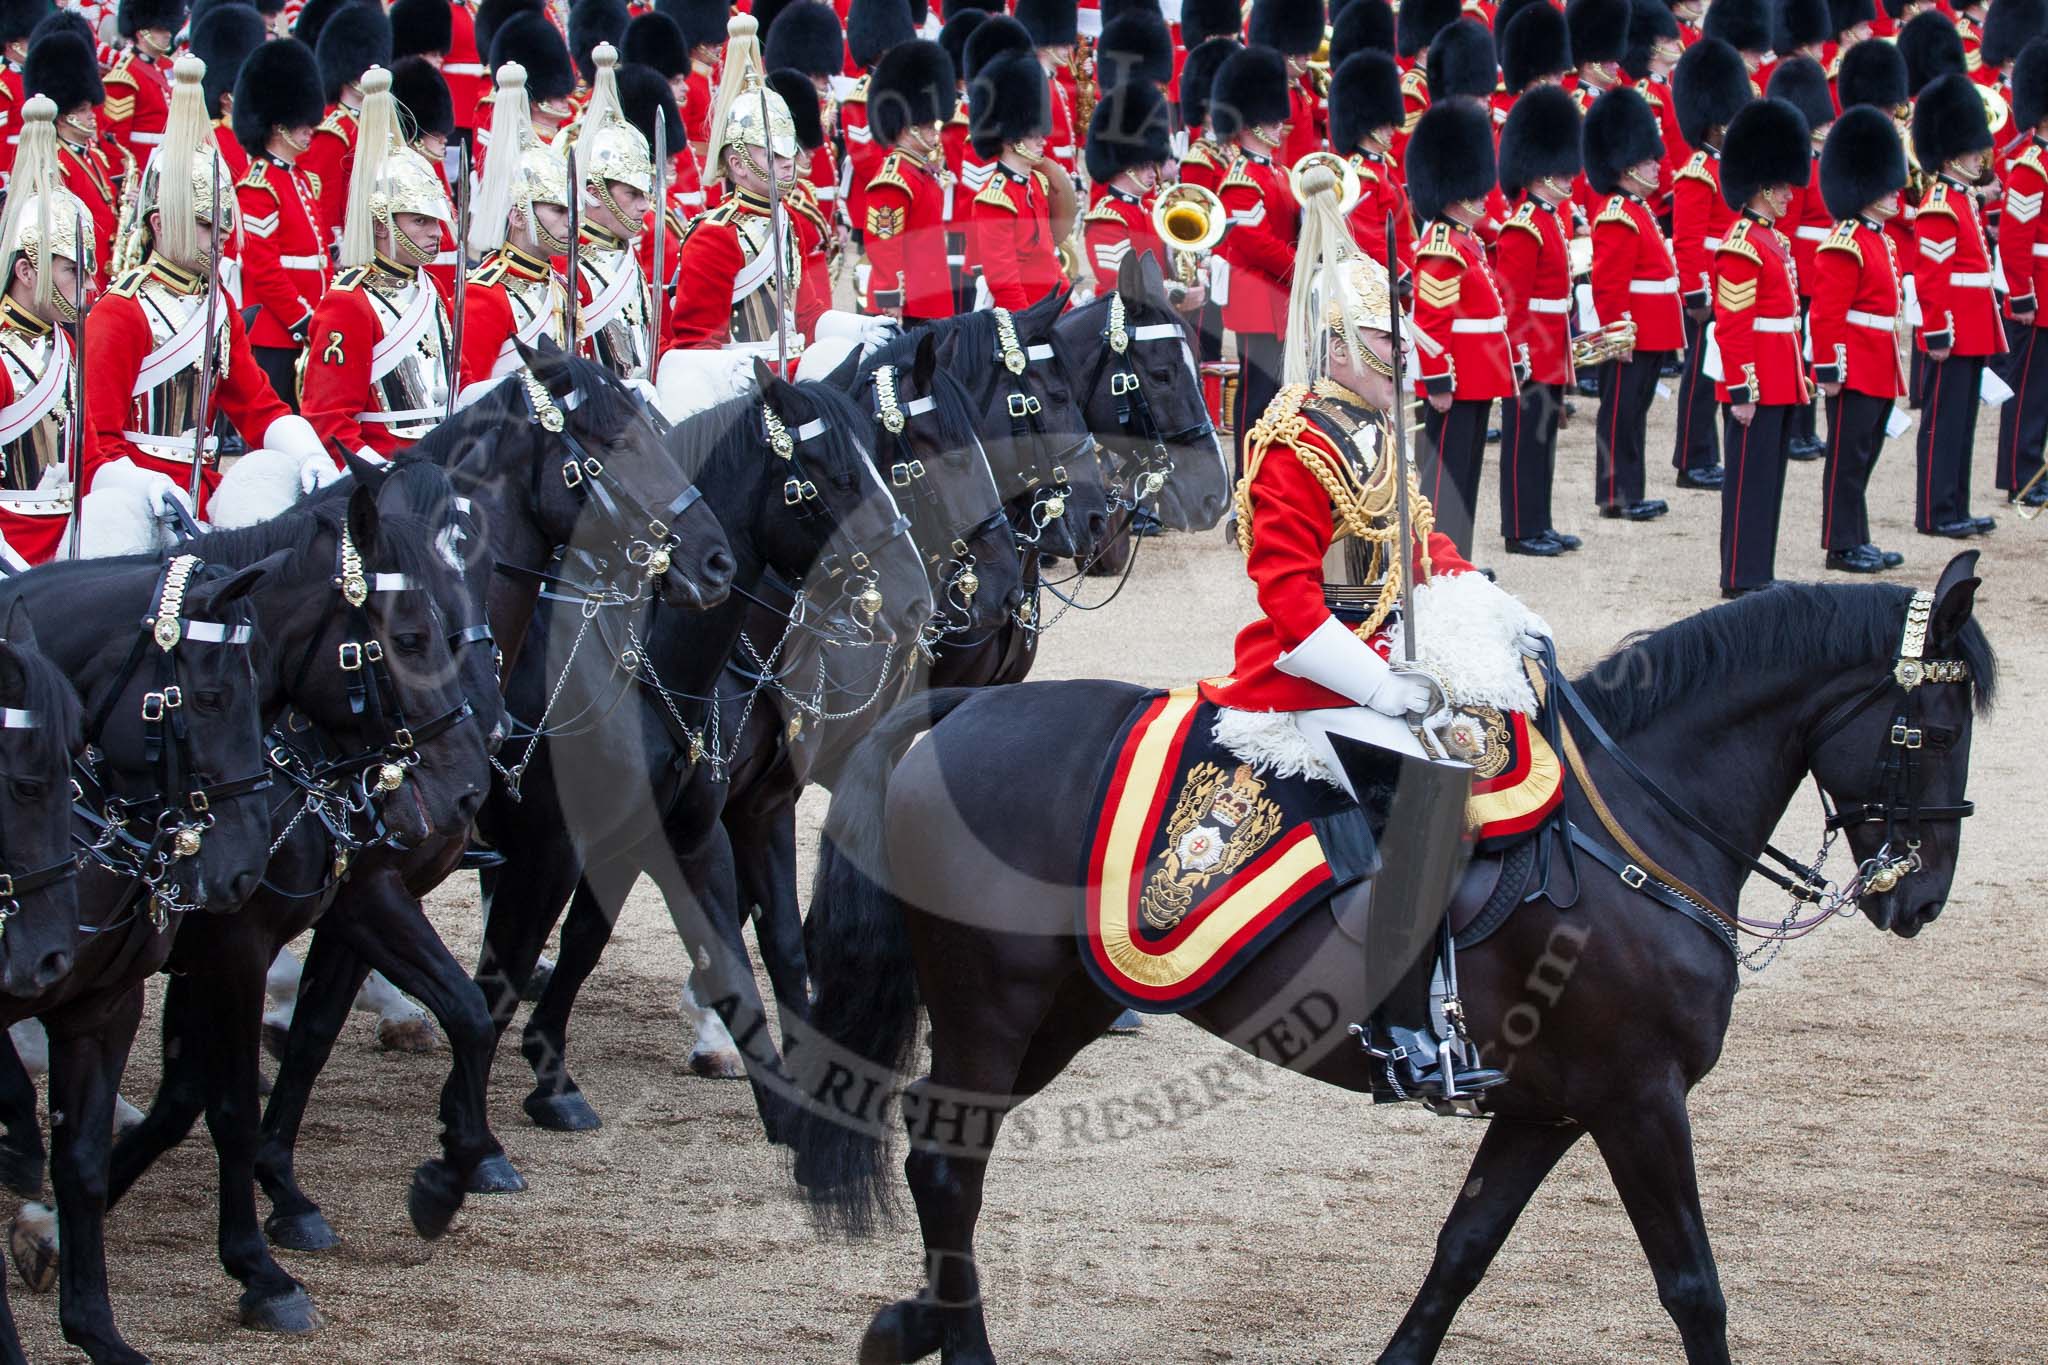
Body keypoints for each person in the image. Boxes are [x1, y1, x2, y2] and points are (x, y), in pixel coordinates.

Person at [1202, 161, 1560, 1103]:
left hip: (1381, 640)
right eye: (1381, 344)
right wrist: (1375, 685)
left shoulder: (1372, 423)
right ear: (1335, 343)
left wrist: (1483, 594)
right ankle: (1401, 1028)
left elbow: (1418, 532)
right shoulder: (1294, 443)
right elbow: (1285, 599)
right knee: (1430, 790)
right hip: (1309, 672)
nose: (1401, 359)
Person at [84, 57, 324, 508]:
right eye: (204, 225)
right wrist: (145, 491)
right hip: (136, 500)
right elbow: (97, 445)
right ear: (160, 221)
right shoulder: (120, 311)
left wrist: (307, 452)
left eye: (223, 225)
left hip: (203, 494)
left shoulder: (217, 306)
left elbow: (258, 407)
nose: (221, 238)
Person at [298, 65, 456, 463]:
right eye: (419, 220)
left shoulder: (431, 289)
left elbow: (460, 379)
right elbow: (330, 424)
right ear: (381, 223)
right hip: (386, 470)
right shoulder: (347, 304)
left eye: (434, 220)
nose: (435, 233)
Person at [1711, 97, 1812, 598]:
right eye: (1784, 188)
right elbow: (1733, 325)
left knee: (1768, 482)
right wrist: (1742, 389)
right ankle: (1740, 576)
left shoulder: (1771, 239)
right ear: (1764, 188)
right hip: (1757, 380)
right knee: (1749, 482)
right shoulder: (1742, 245)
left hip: (1779, 375)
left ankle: (1759, 571)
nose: (1792, 196)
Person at [1406, 98, 1514, 558]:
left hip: (1478, 375)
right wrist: (1438, 380)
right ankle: (1437, 558)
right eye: (1475, 191)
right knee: (1445, 479)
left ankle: (1458, 559)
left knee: (1466, 476)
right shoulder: (1442, 247)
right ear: (1454, 191)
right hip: (1457, 378)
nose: (1483, 198)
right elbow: (1431, 325)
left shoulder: (1465, 242)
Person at [1810, 107, 1910, 573]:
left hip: (1879, 361)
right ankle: (1839, 544)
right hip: (1854, 365)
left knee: (1864, 455)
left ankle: (1858, 536)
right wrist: (1829, 370)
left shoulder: (1881, 240)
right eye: (1887, 184)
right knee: (1847, 459)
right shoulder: (1845, 241)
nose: (1896, 192)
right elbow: (1826, 314)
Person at [669, 18, 800, 356]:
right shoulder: (714, 237)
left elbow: (806, 314)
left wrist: (852, 327)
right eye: (774, 153)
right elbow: (698, 345)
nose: (788, 161)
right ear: (739, 164)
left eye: (790, 150)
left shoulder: (786, 218)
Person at [0, 97, 95, 564]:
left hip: (66, 547)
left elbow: (89, 457)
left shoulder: (63, 344)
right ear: (24, 270)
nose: (90, 287)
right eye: (73, 272)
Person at [1583, 87, 1682, 526]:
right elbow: (1609, 285)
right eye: (1647, 161)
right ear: (1626, 166)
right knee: (1621, 414)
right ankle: (1615, 494)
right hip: (1633, 331)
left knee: (1634, 413)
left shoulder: (1638, 208)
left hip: (1652, 328)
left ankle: (1631, 490)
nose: (1656, 166)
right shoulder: (1617, 213)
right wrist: (1618, 336)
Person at [1910, 74, 2002, 537]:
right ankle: (1935, 511)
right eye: (1971, 151)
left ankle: (1955, 505)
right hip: (1953, 330)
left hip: (1973, 325)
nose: (1978, 156)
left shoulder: (1964, 201)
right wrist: (1938, 332)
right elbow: (1932, 279)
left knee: (1962, 425)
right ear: (1951, 154)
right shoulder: (1941, 204)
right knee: (1944, 424)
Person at [1492, 85, 1580, 557]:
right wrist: (1519, 354)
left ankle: (1540, 521)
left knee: (1542, 442)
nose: (1571, 175)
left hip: (1551, 342)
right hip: (1531, 348)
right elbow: (1513, 303)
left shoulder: (1551, 219)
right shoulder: (1524, 224)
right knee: (1525, 442)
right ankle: (1521, 529)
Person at [457, 59, 570, 393]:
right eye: (557, 210)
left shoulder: (562, 284)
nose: (570, 221)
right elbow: (471, 397)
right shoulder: (485, 294)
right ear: (519, 216)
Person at [1667, 38, 1749, 492]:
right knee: (1699, 376)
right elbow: (1689, 238)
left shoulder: (1727, 167)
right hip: (1709, 287)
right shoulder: (1698, 170)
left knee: (1721, 372)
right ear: (1715, 124)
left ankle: (1708, 455)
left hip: (1732, 283)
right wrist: (1697, 293)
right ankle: (1692, 459)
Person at [231, 36, 329, 410]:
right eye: (300, 122)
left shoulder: (300, 179)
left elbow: (319, 256)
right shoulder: (258, 186)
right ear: (277, 125)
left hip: (308, 324)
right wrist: (301, 317)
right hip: (276, 333)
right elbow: (263, 269)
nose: (309, 129)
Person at [1213, 43, 1297, 475]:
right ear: (1251, 125)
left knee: (1284, 395)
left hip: (1282, 298)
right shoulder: (1241, 181)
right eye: (1271, 119)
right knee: (1256, 396)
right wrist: (1301, 264)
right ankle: (1248, 480)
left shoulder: (1280, 173)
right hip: (1259, 301)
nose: (1281, 126)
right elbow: (1254, 244)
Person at [1767, 56, 1836, 462]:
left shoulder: (1816, 162)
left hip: (1820, 270)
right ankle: (1795, 429)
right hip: (1803, 271)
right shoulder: (1797, 171)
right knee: (1797, 352)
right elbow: (1785, 230)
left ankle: (1806, 428)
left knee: (1811, 352)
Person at [860, 38, 956, 326]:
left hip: (928, 300)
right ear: (906, 125)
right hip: (906, 307)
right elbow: (884, 245)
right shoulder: (894, 178)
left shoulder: (920, 171)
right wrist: (891, 302)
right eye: (927, 125)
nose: (934, 131)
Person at [966, 47, 1066, 312]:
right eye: (1034, 135)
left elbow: (1049, 259)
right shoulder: (996, 198)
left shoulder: (1036, 184)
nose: (1042, 141)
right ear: (1010, 140)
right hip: (1017, 319)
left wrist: (1068, 303)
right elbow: (1004, 281)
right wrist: (1029, 323)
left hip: (1045, 312)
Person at [1994, 38, 2048, 509]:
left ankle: (2035, 470)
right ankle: (2020, 476)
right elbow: (2015, 239)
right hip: (2038, 295)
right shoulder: (2032, 166)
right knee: (2028, 393)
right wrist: (2023, 295)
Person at [23, 27, 116, 290]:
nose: (92, 116)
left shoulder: (95, 156)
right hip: (78, 269)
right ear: (63, 116)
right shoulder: (54, 161)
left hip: (107, 261)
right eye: (83, 110)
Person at [303, 2, 395, 247]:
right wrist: (336, 243)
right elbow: (326, 195)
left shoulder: (376, 120)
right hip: (352, 240)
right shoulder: (334, 129)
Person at [1328, 51, 1414, 291]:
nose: (1392, 129)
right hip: (1377, 285)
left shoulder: (1382, 167)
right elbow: (1366, 237)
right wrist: (1402, 274)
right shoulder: (1359, 176)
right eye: (1385, 122)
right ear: (1367, 122)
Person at [101, 0, 187, 179]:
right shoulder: (125, 75)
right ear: (142, 33)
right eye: (160, 29)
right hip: (145, 170)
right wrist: (123, 180)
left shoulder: (168, 66)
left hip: (175, 164)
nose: (167, 34)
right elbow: (116, 140)